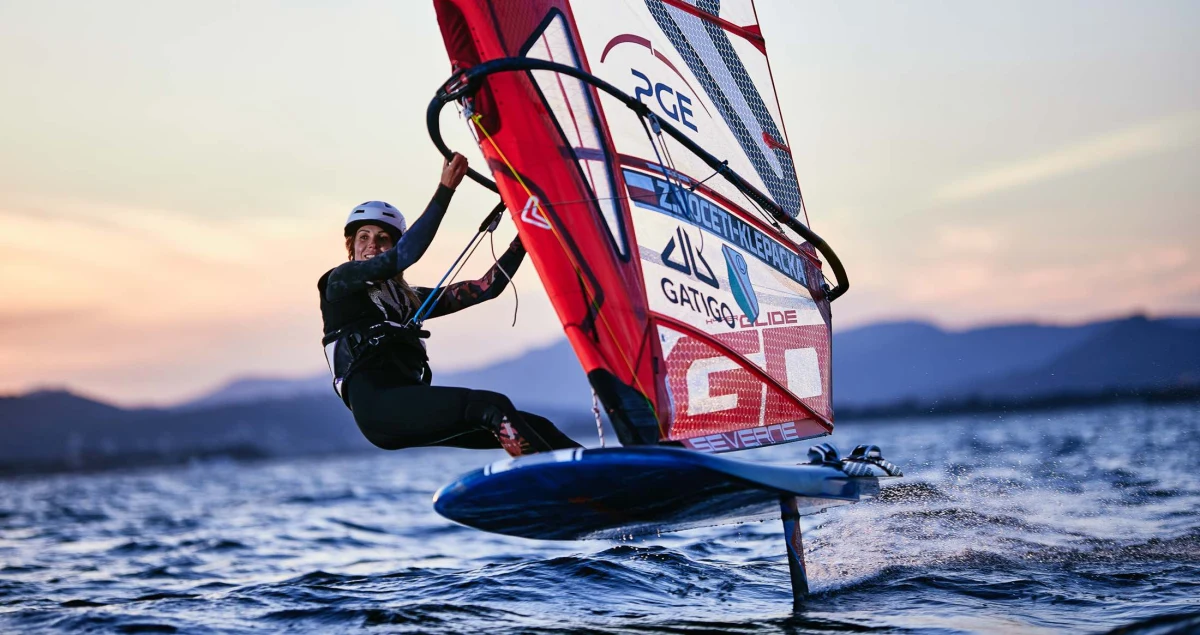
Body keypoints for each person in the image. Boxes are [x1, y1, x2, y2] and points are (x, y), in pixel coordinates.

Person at [318, 153, 581, 456]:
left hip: (410, 405)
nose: (372, 245)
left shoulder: (408, 299)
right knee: (492, 406)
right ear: (351, 246)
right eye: (363, 237)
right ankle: (546, 481)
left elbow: (486, 288)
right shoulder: (338, 282)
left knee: (537, 426)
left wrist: (525, 236)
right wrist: (446, 189)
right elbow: (404, 256)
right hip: (379, 409)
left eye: (383, 238)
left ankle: (604, 476)